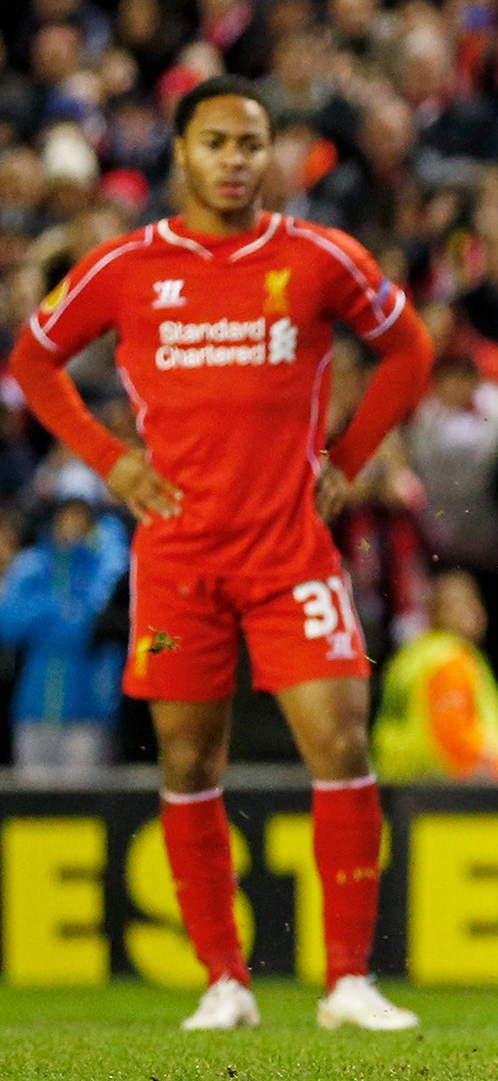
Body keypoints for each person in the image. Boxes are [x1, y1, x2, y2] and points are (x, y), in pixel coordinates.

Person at [7, 75, 434, 1030]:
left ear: (271, 154)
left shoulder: (320, 258)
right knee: (188, 760)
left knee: (343, 738)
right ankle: (225, 982)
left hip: (291, 553)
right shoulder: (125, 268)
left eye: (251, 144)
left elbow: (409, 350)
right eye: (217, 144)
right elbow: (33, 363)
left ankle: (349, 982)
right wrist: (111, 462)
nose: (236, 162)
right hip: (176, 563)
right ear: (182, 153)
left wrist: (351, 460)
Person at [0, 492, 129, 776]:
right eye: (67, 517)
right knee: (32, 804)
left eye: (80, 518)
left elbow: (102, 627)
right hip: (34, 708)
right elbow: (7, 623)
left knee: (85, 800)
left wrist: (45, 622)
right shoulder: (32, 563)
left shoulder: (104, 566)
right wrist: (65, 611)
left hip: (89, 708)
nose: (72, 525)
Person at [372, 570, 498, 783]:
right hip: (447, 793)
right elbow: (455, 736)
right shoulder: (450, 659)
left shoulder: (411, 657)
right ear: (438, 611)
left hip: (400, 783)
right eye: (463, 604)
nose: (475, 612)